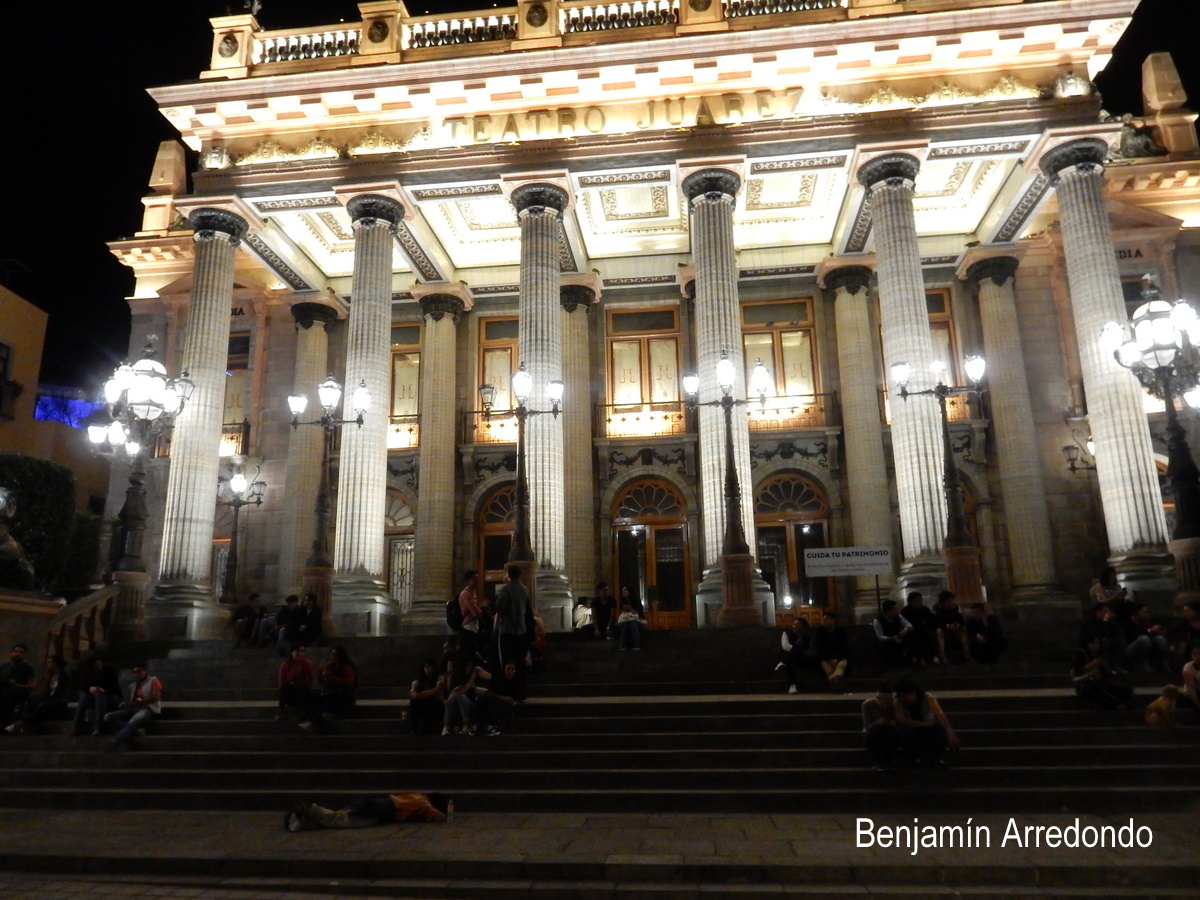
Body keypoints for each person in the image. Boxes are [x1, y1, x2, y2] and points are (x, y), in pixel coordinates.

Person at [286, 792, 449, 831]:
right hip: (382, 810)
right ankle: (310, 810)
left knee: (342, 815)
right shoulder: (424, 803)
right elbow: (439, 817)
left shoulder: (417, 795)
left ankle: (308, 818)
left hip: (380, 802)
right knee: (342, 819)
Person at [892, 678, 960, 766]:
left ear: (913, 693)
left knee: (939, 729)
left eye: (905, 696)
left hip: (929, 727)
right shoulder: (898, 701)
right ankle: (914, 757)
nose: (903, 699)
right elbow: (902, 719)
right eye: (901, 696)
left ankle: (936, 758)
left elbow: (939, 714)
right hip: (913, 728)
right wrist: (924, 724)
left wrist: (949, 732)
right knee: (902, 729)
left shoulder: (926, 697)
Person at [102, 662, 163, 749]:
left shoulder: (153, 680)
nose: (137, 674)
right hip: (134, 708)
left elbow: (156, 696)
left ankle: (115, 740)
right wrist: (126, 704)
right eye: (134, 672)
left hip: (147, 708)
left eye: (139, 671)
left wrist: (141, 701)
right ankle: (134, 732)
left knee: (133, 721)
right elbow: (132, 701)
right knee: (108, 717)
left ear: (146, 671)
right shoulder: (132, 686)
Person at [6, 655, 71, 734]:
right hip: (49, 700)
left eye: (50, 662)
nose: (47, 664)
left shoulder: (64, 676)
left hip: (58, 703)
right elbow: (46, 693)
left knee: (43, 706)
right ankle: (23, 723)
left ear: (56, 664)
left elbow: (61, 695)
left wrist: (46, 702)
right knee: (32, 702)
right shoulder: (51, 676)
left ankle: (21, 723)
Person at [1071, 636, 1133, 710]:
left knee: (1126, 691)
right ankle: (1113, 705)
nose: (1096, 646)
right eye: (1093, 643)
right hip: (1084, 684)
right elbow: (1077, 675)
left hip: (1099, 683)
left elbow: (1106, 676)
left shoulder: (1100, 656)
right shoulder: (1081, 654)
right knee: (1091, 689)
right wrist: (1091, 670)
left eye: (1097, 643)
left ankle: (1113, 703)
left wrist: (1106, 668)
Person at [495, 564, 531, 676]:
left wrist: (495, 629)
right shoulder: (525, 590)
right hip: (521, 630)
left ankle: (508, 682)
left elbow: (499, 609)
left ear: (508, 575)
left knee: (506, 660)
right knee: (520, 661)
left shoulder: (505, 590)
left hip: (507, 631)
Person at [72, 656, 121, 736]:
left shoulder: (110, 671)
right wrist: (90, 688)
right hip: (94, 696)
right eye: (95, 666)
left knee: (100, 696)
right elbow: (82, 685)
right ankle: (77, 726)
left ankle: (98, 727)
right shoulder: (88, 673)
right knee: (84, 696)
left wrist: (103, 690)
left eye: (99, 664)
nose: (98, 666)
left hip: (111, 696)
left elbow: (114, 689)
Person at [474, 660, 525, 736]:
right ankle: (479, 725)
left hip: (506, 707)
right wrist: (503, 698)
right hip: (496, 703)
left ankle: (493, 726)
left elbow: (518, 698)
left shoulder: (517, 682)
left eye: (513, 669)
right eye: (508, 669)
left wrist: (511, 701)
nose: (510, 672)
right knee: (482, 699)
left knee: (492, 700)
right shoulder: (498, 681)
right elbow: (490, 693)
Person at [314, 645, 358, 724]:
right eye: (332, 654)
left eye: (336, 655)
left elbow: (349, 682)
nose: (334, 657)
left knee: (333, 697)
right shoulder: (329, 665)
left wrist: (333, 677)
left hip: (345, 692)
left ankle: (317, 719)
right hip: (332, 691)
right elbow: (324, 682)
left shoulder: (347, 666)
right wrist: (321, 676)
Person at [277, 644, 317, 727]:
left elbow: (308, 681)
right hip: (291, 693)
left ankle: (304, 711)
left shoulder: (306, 663)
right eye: (298, 651)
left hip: (303, 693)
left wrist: (295, 683)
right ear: (292, 653)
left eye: (303, 651)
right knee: (284, 686)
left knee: (298, 685)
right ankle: (281, 711)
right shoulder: (285, 665)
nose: (301, 653)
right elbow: (282, 681)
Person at [1123, 604, 1168, 672]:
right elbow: (1136, 637)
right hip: (1130, 648)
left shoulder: (1146, 622)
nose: (1146, 614)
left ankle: (1162, 663)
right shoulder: (1129, 623)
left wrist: (1158, 633)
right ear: (1137, 613)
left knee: (1160, 639)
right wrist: (1150, 631)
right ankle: (1142, 664)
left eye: (1147, 612)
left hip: (1148, 646)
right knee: (1144, 639)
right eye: (1144, 612)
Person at [862, 686, 898, 769]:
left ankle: (888, 761)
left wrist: (892, 722)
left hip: (887, 730)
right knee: (878, 732)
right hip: (873, 731)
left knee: (889, 734)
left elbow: (895, 720)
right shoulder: (868, 705)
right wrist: (878, 722)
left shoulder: (890, 706)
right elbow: (867, 725)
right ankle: (879, 761)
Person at [0, 643, 36, 728]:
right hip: (3, 690)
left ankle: (4, 721)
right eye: (16, 652)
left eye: (21, 652)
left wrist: (16, 685)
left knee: (7, 695)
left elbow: (32, 686)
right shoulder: (3, 666)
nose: (17, 654)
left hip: (19, 692)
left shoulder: (28, 668)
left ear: (24, 655)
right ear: (12, 653)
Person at [812, 611, 849, 691]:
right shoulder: (820, 632)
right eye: (823, 619)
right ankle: (836, 680)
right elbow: (819, 648)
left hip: (839, 658)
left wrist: (837, 659)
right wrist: (829, 659)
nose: (824, 621)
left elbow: (845, 647)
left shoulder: (841, 632)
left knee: (841, 664)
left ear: (833, 620)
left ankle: (835, 678)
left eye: (827, 619)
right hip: (825, 659)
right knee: (826, 666)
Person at [873, 600, 913, 670]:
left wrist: (905, 630)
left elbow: (909, 625)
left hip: (898, 638)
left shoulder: (898, 617)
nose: (897, 610)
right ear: (888, 611)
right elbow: (880, 637)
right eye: (894, 609)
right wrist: (893, 637)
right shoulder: (878, 621)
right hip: (887, 642)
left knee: (911, 634)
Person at [777, 616, 813, 694]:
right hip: (792, 658)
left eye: (797, 625)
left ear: (803, 627)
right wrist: (799, 650)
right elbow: (785, 646)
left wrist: (799, 651)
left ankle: (783, 662)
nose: (794, 626)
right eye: (794, 624)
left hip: (802, 659)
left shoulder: (807, 637)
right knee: (791, 659)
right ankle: (792, 685)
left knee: (791, 657)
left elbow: (809, 651)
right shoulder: (787, 634)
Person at [408, 659, 444, 736]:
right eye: (427, 667)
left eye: (432, 667)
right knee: (414, 702)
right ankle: (414, 728)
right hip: (422, 701)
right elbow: (413, 689)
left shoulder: (439, 677)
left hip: (436, 702)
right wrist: (414, 694)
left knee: (428, 700)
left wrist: (423, 694)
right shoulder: (419, 679)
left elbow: (436, 689)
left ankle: (425, 728)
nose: (430, 669)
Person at [934, 591, 971, 664]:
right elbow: (937, 624)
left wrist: (957, 625)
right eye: (948, 601)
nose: (951, 603)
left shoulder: (955, 609)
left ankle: (967, 656)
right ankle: (942, 657)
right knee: (939, 632)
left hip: (956, 630)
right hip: (944, 631)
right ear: (942, 602)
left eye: (952, 601)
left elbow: (961, 621)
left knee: (964, 632)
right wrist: (948, 626)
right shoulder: (938, 611)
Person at [901, 592, 937, 664]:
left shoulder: (925, 609)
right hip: (912, 631)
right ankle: (918, 657)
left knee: (929, 634)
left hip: (924, 629)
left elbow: (931, 621)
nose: (919, 602)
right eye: (916, 600)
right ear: (910, 602)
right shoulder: (906, 611)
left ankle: (933, 656)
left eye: (920, 600)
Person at [457, 569, 484, 657]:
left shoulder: (473, 593)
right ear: (467, 580)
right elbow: (474, 611)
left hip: (474, 626)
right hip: (468, 627)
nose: (477, 580)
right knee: (468, 654)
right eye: (474, 578)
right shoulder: (465, 594)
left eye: (478, 578)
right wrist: (479, 612)